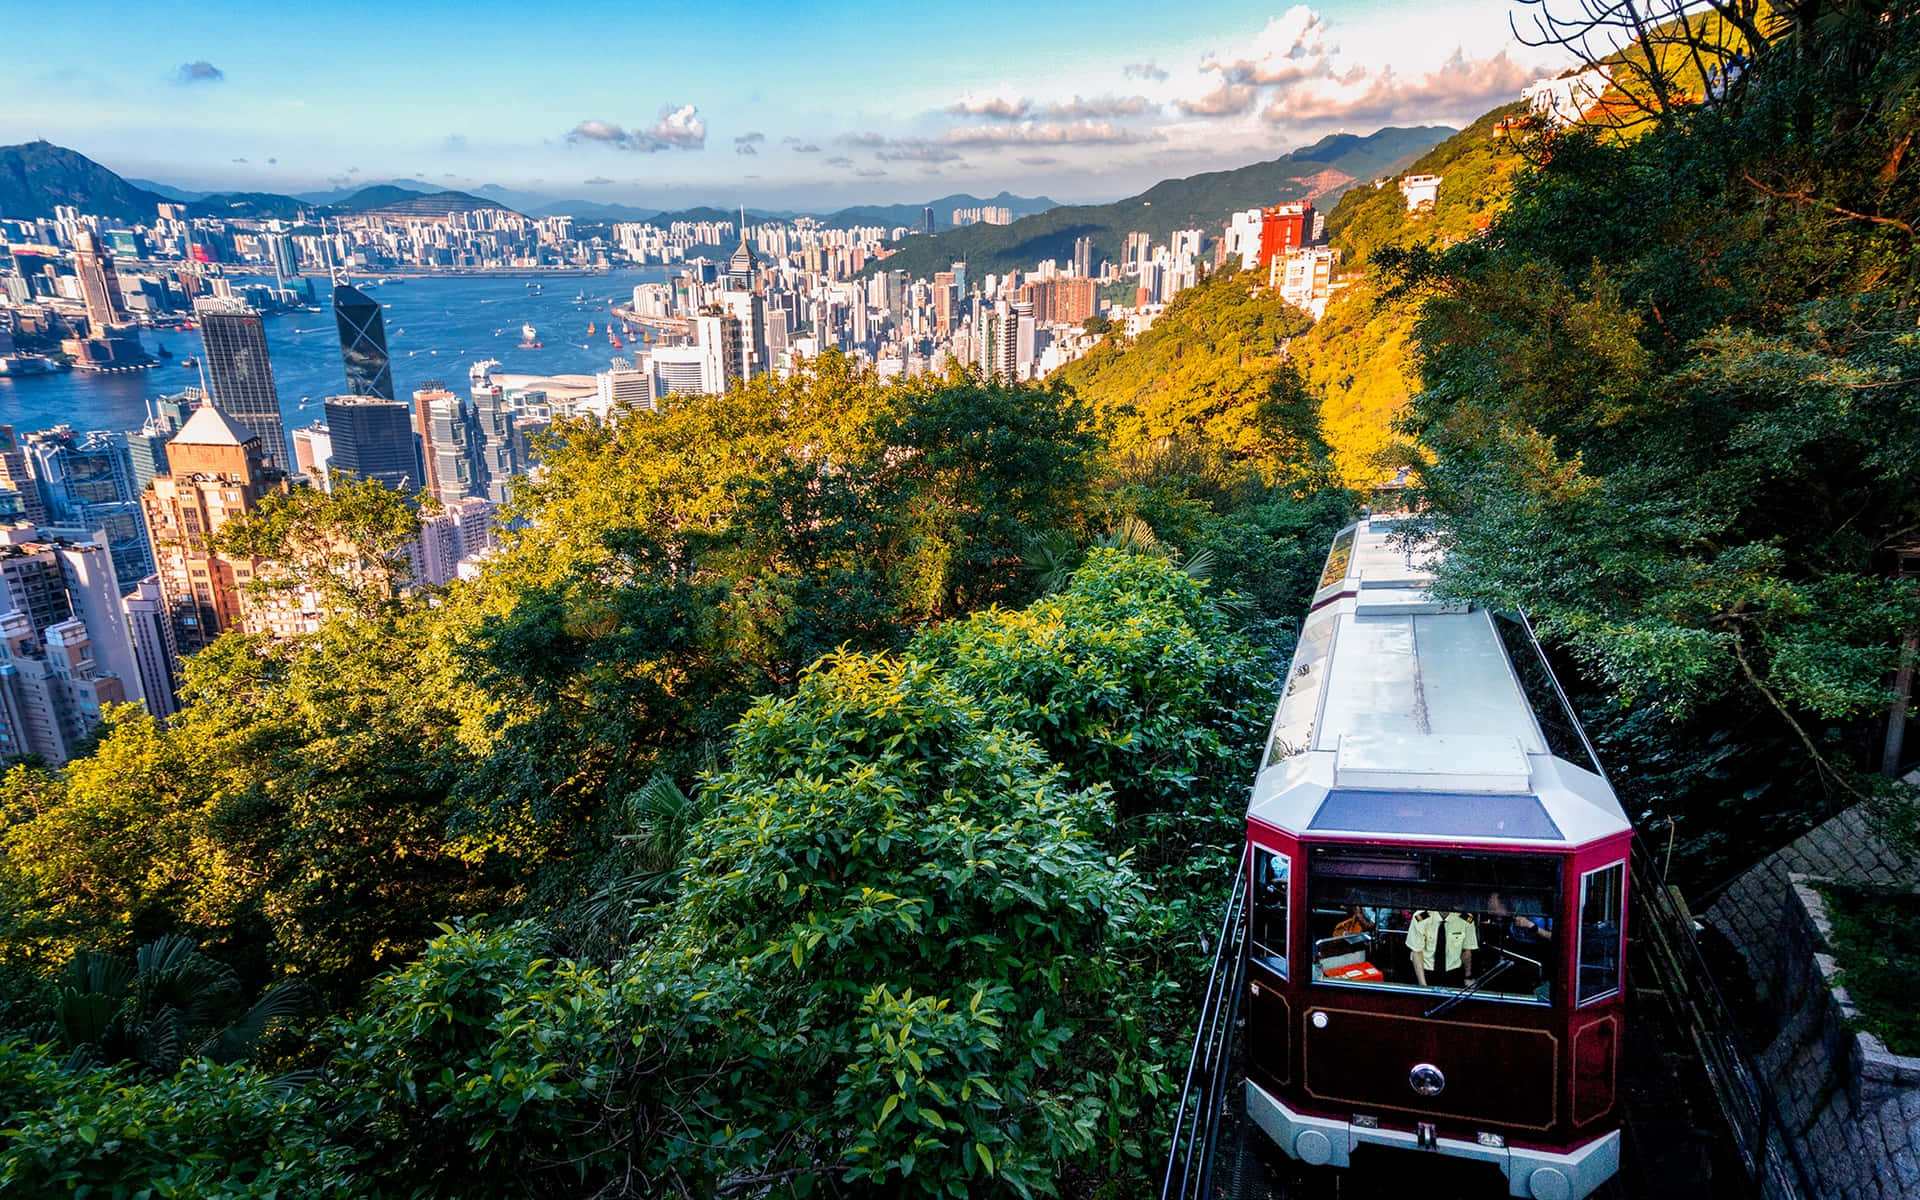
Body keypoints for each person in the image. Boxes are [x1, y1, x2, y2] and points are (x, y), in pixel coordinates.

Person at [1405, 909, 1477, 988]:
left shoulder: (1465, 919)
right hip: (1424, 971)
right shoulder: (1421, 917)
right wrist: (1423, 986)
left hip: (1452, 973)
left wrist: (1468, 976)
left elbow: (1467, 950)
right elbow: (1417, 952)